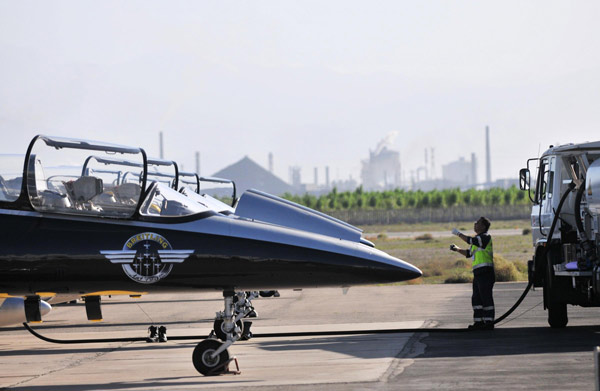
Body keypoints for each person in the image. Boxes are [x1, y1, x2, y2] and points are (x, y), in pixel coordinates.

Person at [449, 217, 495, 330]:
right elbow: (469, 253)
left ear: (483, 226)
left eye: (478, 223)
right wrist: (457, 249)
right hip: (478, 273)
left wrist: (458, 233)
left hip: (486, 272)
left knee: (486, 298)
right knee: (476, 299)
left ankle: (488, 323)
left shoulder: (485, 237)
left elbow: (470, 240)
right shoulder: (477, 240)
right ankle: (479, 323)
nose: (475, 224)